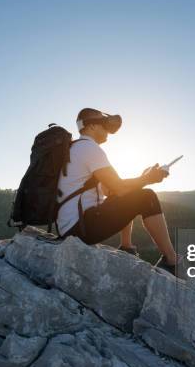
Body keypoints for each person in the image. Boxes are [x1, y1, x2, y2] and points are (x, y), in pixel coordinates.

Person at [56, 107, 177, 274]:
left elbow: (110, 190)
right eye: (103, 125)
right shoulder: (90, 149)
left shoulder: (76, 148)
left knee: (127, 194)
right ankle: (172, 261)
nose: (107, 129)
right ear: (91, 127)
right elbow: (119, 188)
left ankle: (127, 247)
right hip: (80, 228)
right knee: (147, 197)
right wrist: (149, 179)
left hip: (70, 226)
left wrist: (142, 178)